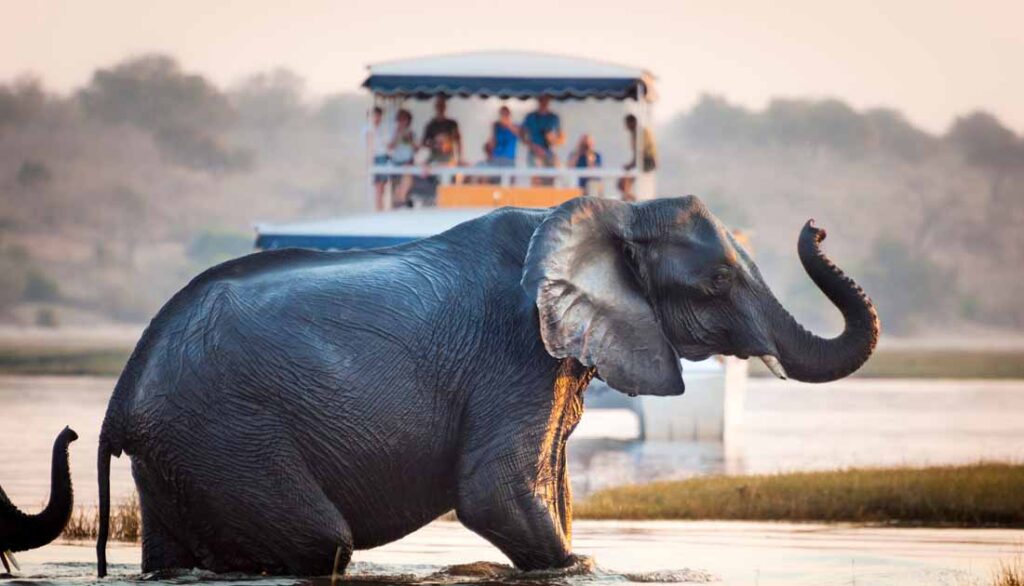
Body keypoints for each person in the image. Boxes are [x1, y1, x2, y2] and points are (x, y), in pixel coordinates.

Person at [520, 95, 564, 185]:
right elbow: (522, 134)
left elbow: (561, 138)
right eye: (542, 100)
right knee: (536, 179)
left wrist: (552, 139)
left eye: (546, 100)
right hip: (534, 152)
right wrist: (532, 146)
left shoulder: (554, 118)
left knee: (552, 177)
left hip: (549, 152)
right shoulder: (530, 117)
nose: (544, 103)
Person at [618, 114, 658, 202]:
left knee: (624, 182)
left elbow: (641, 152)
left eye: (627, 123)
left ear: (632, 123)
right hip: (641, 161)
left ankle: (629, 199)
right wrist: (630, 165)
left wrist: (631, 165)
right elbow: (637, 154)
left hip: (648, 161)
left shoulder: (641, 133)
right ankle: (629, 198)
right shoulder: (635, 133)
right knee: (622, 184)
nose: (626, 126)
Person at [389, 109, 417, 208]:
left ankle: (403, 201)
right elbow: (390, 147)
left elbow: (416, 148)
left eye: (404, 119)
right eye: (400, 120)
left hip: (408, 162)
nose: (402, 122)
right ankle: (396, 204)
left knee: (406, 183)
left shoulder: (411, 133)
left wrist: (409, 139)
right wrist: (397, 135)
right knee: (396, 186)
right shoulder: (393, 132)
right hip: (396, 162)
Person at [363, 106, 390, 211]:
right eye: (375, 116)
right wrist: (370, 162)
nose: (377, 118)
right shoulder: (369, 130)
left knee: (382, 187)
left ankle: (381, 207)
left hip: (384, 158)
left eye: (379, 116)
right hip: (376, 158)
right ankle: (378, 209)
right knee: (378, 187)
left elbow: (387, 145)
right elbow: (370, 147)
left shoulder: (383, 129)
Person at [422, 96, 462, 164]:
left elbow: (458, 141)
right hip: (434, 157)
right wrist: (435, 144)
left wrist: (460, 159)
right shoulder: (430, 125)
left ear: (445, 107)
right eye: (438, 105)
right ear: (435, 107)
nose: (440, 108)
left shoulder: (452, 124)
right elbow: (424, 143)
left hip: (448, 157)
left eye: (442, 105)